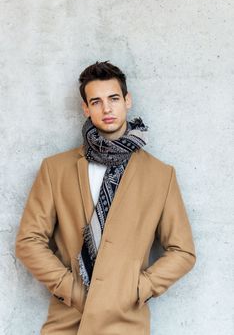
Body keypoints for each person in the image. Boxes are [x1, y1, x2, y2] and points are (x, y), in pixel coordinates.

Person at [15, 60, 196, 335]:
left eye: (113, 98)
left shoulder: (161, 175)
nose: (107, 108)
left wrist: (138, 288)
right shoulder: (55, 169)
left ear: (127, 100)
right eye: (96, 101)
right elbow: (29, 241)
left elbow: (182, 251)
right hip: (69, 321)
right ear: (86, 109)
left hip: (126, 323)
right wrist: (71, 289)